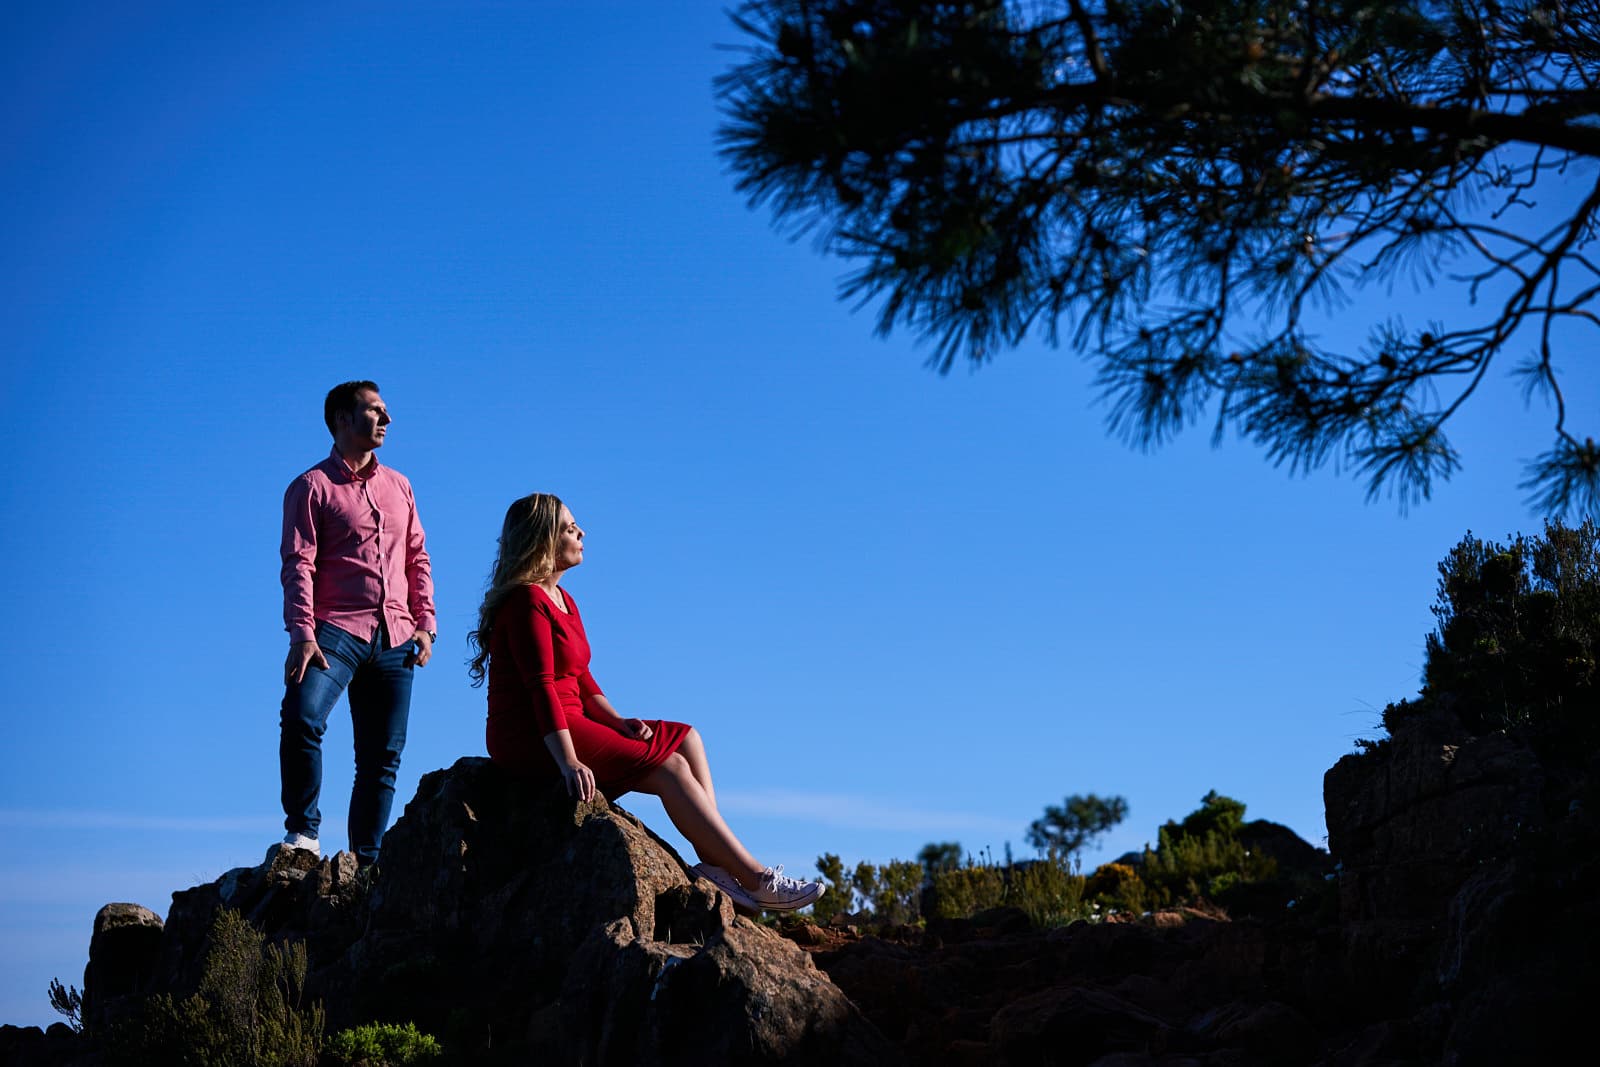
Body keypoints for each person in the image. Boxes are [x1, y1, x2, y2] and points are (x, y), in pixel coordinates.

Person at [467, 493, 823, 913]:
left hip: (570, 718)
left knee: (686, 738)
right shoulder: (527, 602)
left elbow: (582, 678)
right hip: (532, 734)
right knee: (669, 768)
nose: (582, 534)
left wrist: (618, 722)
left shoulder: (564, 600)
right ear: (543, 539)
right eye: (570, 528)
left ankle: (715, 865)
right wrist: (568, 762)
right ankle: (756, 878)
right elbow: (542, 688)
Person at [277, 380, 437, 867]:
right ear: (343, 419)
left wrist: (426, 623)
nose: (386, 419)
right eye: (375, 410)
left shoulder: (400, 486)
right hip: (334, 632)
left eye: (385, 411)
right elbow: (298, 564)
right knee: (302, 716)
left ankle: (365, 864)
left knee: (381, 757)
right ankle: (303, 832)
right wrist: (302, 633)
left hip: (397, 636)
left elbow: (417, 557)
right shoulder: (311, 487)